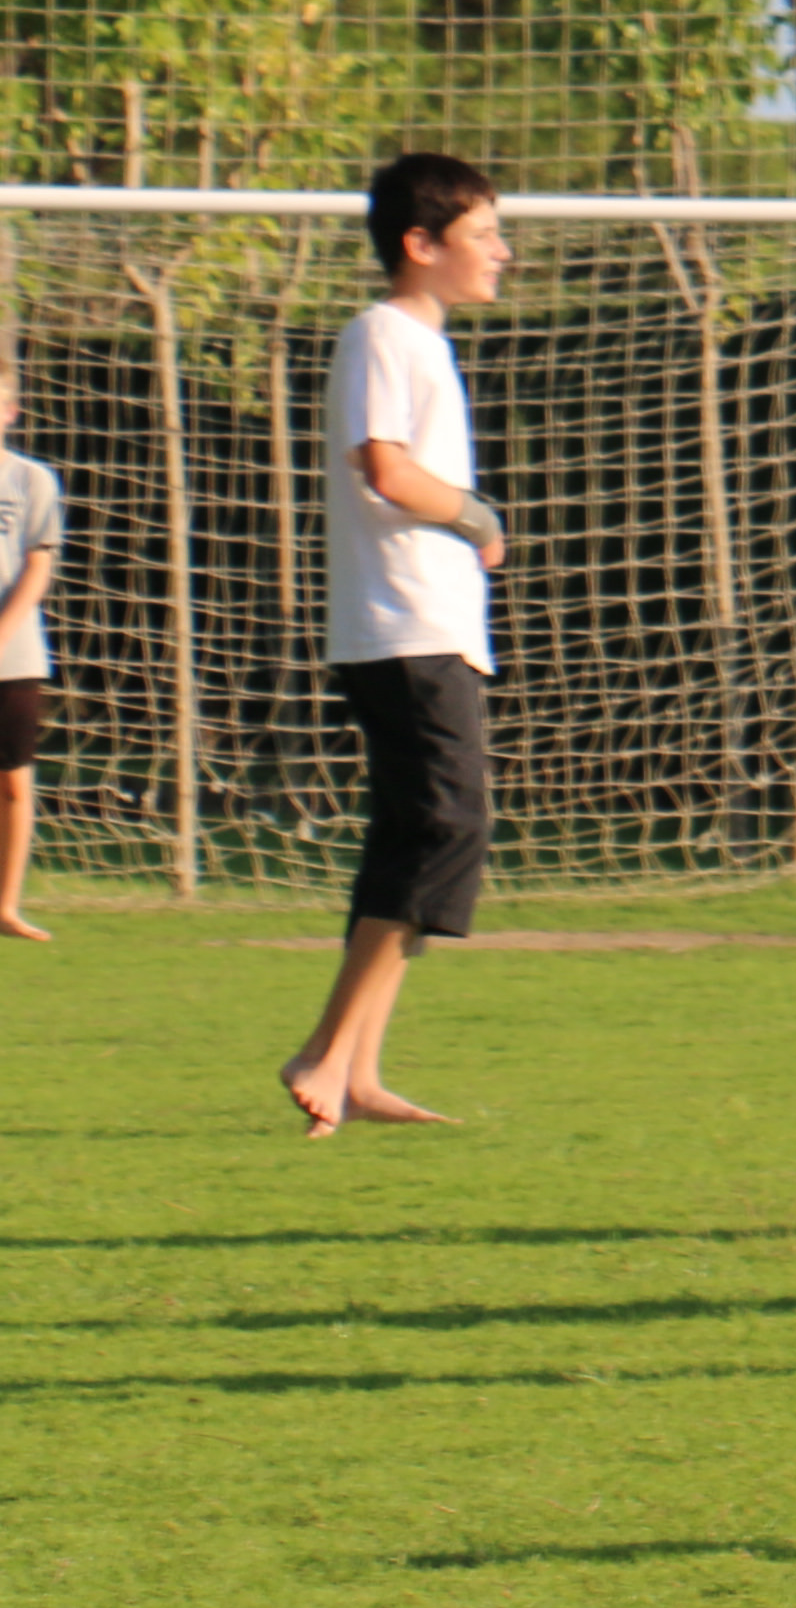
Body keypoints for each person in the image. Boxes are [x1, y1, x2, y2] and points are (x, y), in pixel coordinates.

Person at [285, 153, 511, 1134]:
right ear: (420, 245)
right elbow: (386, 468)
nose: (502, 252)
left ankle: (360, 1070)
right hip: (403, 629)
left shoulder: (422, 342)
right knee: (447, 827)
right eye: (483, 236)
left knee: (412, 838)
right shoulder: (381, 333)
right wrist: (475, 513)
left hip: (429, 627)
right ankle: (326, 1051)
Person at [0, 371, 58, 943]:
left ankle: (6, 906)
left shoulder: (30, 479)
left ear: (10, 412)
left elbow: (37, 565)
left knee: (13, 782)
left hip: (13, 657)